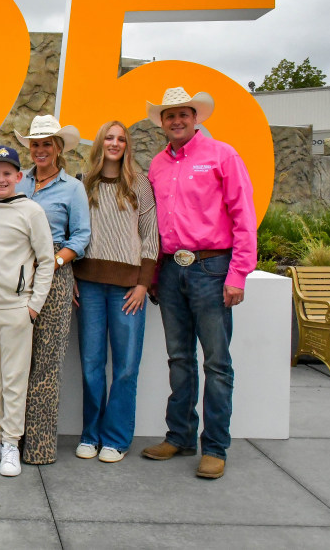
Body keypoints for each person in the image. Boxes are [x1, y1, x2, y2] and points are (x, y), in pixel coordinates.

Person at [141, 87, 257, 480]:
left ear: (196, 118)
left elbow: (243, 216)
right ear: (162, 122)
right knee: (179, 358)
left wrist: (238, 274)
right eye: (169, 115)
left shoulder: (222, 155)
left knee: (217, 363)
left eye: (183, 114)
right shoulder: (157, 164)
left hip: (212, 267)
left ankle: (215, 448)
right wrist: (154, 274)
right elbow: (153, 225)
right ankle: (180, 436)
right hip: (171, 270)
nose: (176, 121)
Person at [73, 121, 159, 463]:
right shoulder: (83, 183)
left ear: (127, 145)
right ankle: (90, 435)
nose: (115, 143)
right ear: (100, 143)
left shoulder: (140, 183)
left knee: (125, 366)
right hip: (89, 286)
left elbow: (151, 235)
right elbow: (75, 232)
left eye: (121, 139)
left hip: (128, 289)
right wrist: (73, 277)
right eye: (109, 137)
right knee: (91, 364)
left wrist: (143, 283)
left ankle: (116, 438)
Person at [0, 146, 55, 477]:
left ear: (19, 176)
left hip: (17, 308)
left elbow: (46, 260)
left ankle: (11, 445)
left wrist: (33, 306)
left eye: (7, 173)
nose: (1, 179)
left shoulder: (31, 211)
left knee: (14, 380)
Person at [14, 114, 90, 465]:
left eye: (47, 144)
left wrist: (54, 263)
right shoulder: (18, 181)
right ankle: (10, 439)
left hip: (56, 277)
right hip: (17, 275)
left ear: (58, 148)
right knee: (16, 360)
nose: (41, 149)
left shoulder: (73, 188)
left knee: (47, 361)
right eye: (36, 144)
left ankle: (39, 446)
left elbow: (82, 235)